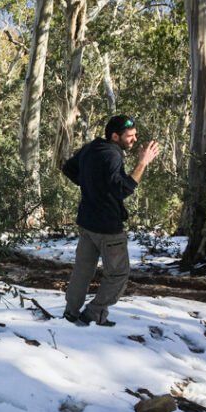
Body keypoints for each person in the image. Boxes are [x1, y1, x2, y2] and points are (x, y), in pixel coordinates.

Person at [61, 114, 160, 326]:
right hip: (107, 227)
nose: (134, 140)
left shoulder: (92, 148)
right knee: (119, 273)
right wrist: (143, 163)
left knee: (82, 271)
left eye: (135, 135)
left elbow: (68, 168)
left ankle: (70, 312)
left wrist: (90, 185)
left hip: (87, 223)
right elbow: (123, 189)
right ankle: (94, 313)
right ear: (115, 136)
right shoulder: (113, 156)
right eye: (129, 136)